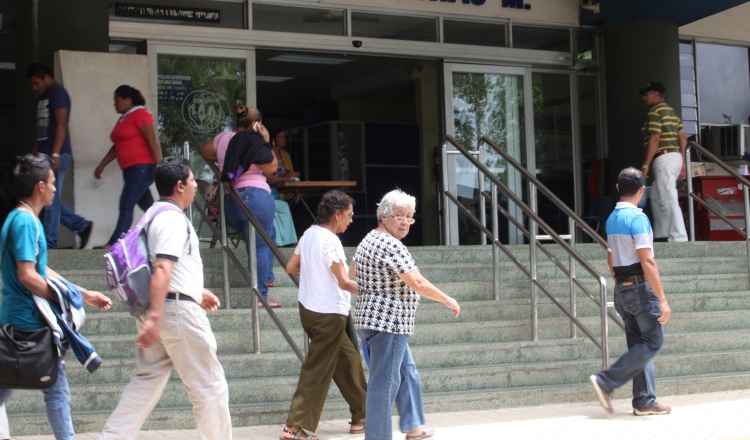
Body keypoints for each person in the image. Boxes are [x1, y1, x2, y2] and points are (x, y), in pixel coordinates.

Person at [98, 157, 231, 440]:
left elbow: (162, 266)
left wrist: (196, 291)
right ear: (180, 185)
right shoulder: (172, 218)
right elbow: (161, 268)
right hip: (173, 313)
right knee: (209, 385)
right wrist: (158, 317)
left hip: (160, 309)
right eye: (194, 180)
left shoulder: (152, 215)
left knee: (146, 381)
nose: (197, 185)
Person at [0, 154, 112, 440]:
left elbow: (40, 268)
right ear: (39, 186)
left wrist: (81, 293)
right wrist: (63, 298)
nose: (54, 188)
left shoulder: (21, 218)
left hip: (19, 323)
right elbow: (28, 275)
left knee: (45, 391)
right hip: (30, 326)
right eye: (51, 182)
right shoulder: (25, 222)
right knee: (56, 393)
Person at [351, 189, 460, 440]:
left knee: (406, 372)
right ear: (384, 215)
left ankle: (413, 427)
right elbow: (417, 282)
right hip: (389, 323)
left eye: (409, 217)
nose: (404, 222)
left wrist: (373, 288)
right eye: (399, 215)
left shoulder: (369, 239)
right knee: (385, 384)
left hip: (373, 320)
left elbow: (354, 269)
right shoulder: (390, 244)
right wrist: (447, 299)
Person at [281, 190, 367, 440]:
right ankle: (294, 428)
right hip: (328, 314)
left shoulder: (309, 234)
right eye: (349, 215)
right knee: (317, 370)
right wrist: (375, 290)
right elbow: (344, 282)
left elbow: (291, 267)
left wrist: (316, 277)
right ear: (337, 214)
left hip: (309, 310)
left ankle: (361, 415)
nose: (351, 220)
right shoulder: (330, 240)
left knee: (348, 361)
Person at [589, 167, 672, 416]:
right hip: (638, 288)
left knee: (639, 344)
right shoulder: (638, 218)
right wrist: (663, 299)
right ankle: (606, 381)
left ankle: (644, 401)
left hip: (622, 289)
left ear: (617, 188)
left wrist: (621, 285)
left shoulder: (612, 218)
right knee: (653, 340)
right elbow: (647, 261)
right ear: (642, 190)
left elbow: (610, 259)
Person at [214, 106, 281, 308]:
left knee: (269, 234)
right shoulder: (254, 141)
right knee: (260, 246)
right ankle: (261, 295)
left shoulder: (223, 139)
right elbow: (272, 168)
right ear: (255, 124)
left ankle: (268, 276)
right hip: (256, 198)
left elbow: (206, 150)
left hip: (232, 202)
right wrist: (266, 141)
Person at [26, 62, 93, 250]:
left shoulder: (58, 93)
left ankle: (50, 243)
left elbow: (61, 124)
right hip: (44, 154)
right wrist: (34, 151)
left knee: (49, 198)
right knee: (47, 197)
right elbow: (43, 129)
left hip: (56, 154)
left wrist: (55, 153)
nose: (34, 87)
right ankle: (81, 225)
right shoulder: (45, 95)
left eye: (36, 83)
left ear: (47, 77)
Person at [93, 85, 162, 250]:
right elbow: (118, 145)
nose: (114, 104)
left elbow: (151, 140)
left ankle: (114, 243)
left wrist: (160, 166)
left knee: (126, 203)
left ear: (127, 100)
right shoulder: (124, 118)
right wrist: (102, 164)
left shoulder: (140, 114)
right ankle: (166, 233)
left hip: (142, 168)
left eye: (117, 100)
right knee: (148, 208)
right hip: (130, 170)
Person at [639, 81, 688, 242]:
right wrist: (683, 163)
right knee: (659, 196)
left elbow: (654, 139)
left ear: (656, 94)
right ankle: (663, 234)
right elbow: (682, 137)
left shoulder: (655, 112)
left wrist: (645, 166)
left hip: (663, 157)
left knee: (667, 197)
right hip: (675, 157)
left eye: (646, 94)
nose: (644, 98)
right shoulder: (671, 112)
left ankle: (679, 237)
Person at [264, 128, 300, 287]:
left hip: (278, 190)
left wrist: (295, 188)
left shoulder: (284, 155)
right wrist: (288, 178)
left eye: (284, 137)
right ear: (273, 139)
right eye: (280, 137)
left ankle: (283, 240)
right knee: (282, 206)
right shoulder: (266, 154)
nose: (283, 140)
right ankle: (289, 241)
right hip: (268, 189)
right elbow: (271, 178)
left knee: (281, 205)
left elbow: (291, 173)